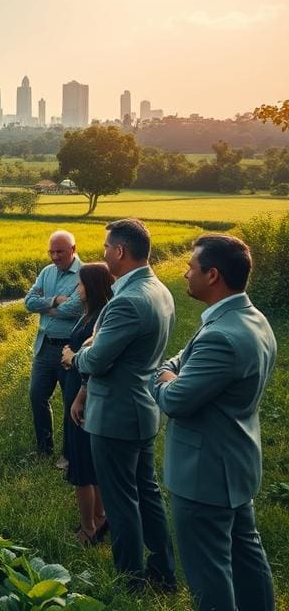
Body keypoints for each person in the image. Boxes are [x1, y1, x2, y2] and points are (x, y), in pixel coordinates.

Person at [150, 235, 276, 611]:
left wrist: (164, 378)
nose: (186, 273)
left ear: (213, 275)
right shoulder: (250, 318)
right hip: (235, 463)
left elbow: (175, 398)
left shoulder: (221, 335)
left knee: (209, 573)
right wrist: (174, 371)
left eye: (192, 266)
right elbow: (181, 359)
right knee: (246, 559)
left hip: (204, 474)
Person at [63, 218, 176, 590]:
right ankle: (163, 568)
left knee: (121, 500)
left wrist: (74, 358)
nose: (103, 253)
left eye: (106, 247)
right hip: (142, 408)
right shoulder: (159, 290)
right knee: (147, 493)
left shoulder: (127, 300)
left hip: (115, 415)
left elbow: (95, 359)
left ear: (121, 251)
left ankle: (131, 579)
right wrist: (95, 345)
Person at [60, 262, 113, 546]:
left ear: (91, 286)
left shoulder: (97, 318)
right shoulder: (93, 313)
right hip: (80, 394)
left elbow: (92, 360)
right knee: (90, 463)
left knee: (81, 466)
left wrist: (71, 355)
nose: (76, 288)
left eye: (79, 284)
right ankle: (101, 516)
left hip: (82, 398)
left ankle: (88, 528)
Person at [24, 230, 83, 460]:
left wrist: (44, 306)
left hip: (69, 350)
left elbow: (74, 309)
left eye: (60, 251)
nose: (55, 256)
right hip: (44, 346)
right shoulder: (47, 272)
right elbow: (28, 302)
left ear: (73, 250)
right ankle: (44, 449)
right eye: (52, 251)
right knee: (37, 396)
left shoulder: (83, 274)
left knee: (71, 401)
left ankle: (69, 455)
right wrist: (55, 301)